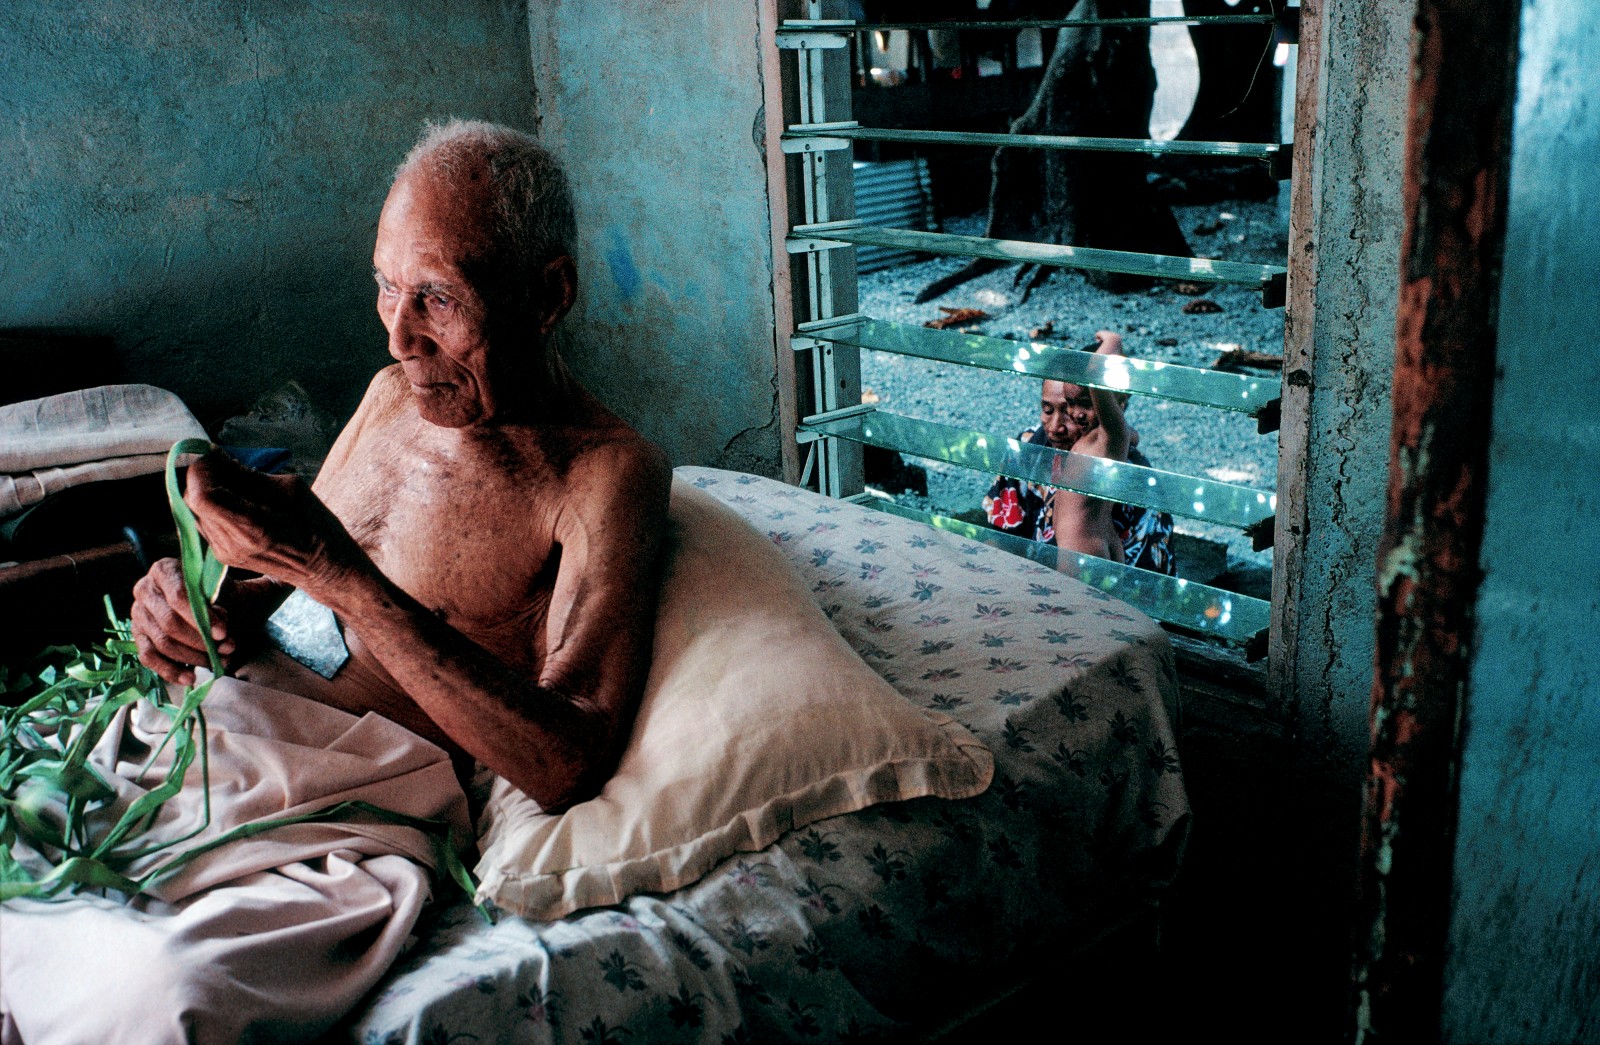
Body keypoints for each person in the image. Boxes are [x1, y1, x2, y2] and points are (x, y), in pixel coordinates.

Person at [1, 120, 671, 1044]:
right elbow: (282, 585)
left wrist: (339, 575)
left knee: (160, 986)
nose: (400, 335)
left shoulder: (603, 474)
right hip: (206, 731)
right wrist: (193, 602)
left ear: (548, 293)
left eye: (436, 298)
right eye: (386, 288)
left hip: (344, 803)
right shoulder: (390, 393)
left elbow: (567, 758)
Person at [982, 331, 1177, 574]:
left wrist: (1112, 343)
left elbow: (1098, 382)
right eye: (1047, 409)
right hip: (1079, 552)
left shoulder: (1124, 464)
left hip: (1086, 556)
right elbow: (998, 535)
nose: (1057, 426)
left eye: (1081, 405)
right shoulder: (1032, 446)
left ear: (1118, 405)